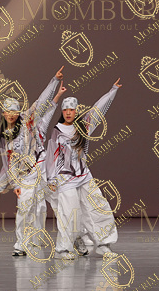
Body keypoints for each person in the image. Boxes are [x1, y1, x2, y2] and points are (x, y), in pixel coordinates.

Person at [45, 79, 122, 259]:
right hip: (65, 179)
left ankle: (103, 245)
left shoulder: (83, 126)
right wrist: (51, 179)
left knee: (97, 208)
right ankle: (63, 249)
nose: (68, 112)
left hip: (84, 176)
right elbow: (52, 156)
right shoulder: (57, 131)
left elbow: (97, 109)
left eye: (71, 109)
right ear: (62, 111)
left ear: (76, 110)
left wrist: (112, 90)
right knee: (69, 213)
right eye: (65, 110)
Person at [0, 67, 65, 256]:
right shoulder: (5, 137)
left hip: (39, 168)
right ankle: (20, 244)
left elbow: (41, 103)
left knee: (40, 207)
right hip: (23, 176)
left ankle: (37, 240)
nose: (11, 114)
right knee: (24, 208)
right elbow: (7, 164)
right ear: (3, 113)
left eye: (14, 111)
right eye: (8, 111)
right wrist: (12, 184)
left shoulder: (27, 121)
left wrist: (54, 81)